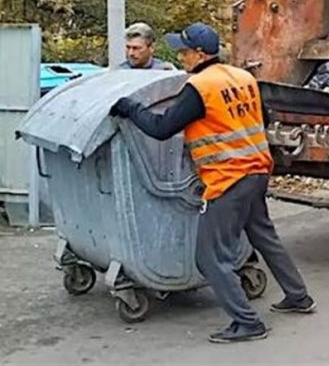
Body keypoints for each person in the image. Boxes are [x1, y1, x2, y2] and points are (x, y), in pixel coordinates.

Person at [109, 22, 315, 344]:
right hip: (257, 171)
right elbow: (261, 118)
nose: (180, 57)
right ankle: (298, 295)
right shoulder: (243, 77)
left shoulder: (200, 86)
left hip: (228, 179)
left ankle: (247, 322)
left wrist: (130, 108)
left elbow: (162, 127)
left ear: (199, 54)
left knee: (209, 256)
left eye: (184, 51)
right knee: (263, 235)